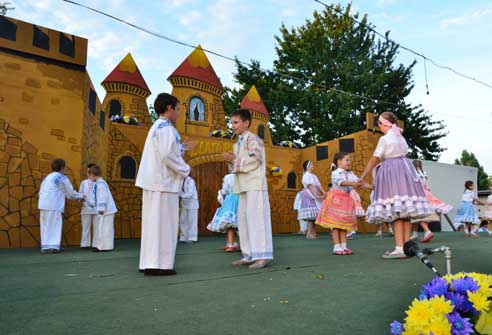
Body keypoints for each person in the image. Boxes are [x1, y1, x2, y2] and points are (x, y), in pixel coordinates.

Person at [360, 112, 433, 259]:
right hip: (405, 170)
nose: (378, 126)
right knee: (404, 211)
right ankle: (407, 247)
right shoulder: (400, 137)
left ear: (384, 124)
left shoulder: (385, 138)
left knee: (396, 211)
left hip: (392, 171)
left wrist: (362, 176)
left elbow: (375, 159)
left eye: (379, 123)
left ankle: (400, 247)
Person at [136, 93, 191, 276]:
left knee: (153, 225)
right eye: (177, 108)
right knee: (165, 225)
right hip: (163, 183)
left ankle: (149, 262)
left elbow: (166, 151)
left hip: (154, 182)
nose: (178, 112)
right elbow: (168, 155)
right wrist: (185, 169)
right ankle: (162, 264)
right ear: (169, 108)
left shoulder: (157, 127)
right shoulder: (167, 128)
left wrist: (181, 148)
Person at [223, 108, 273, 269]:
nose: (233, 126)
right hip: (242, 185)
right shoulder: (237, 143)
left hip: (255, 184)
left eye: (236, 122)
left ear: (246, 123)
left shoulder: (254, 139)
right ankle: (248, 254)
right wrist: (231, 161)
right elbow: (237, 166)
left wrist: (235, 160)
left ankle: (262, 255)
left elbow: (256, 160)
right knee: (243, 219)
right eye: (231, 123)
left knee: (257, 218)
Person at [316, 152, 369, 255]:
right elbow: (342, 183)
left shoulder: (350, 173)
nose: (349, 162)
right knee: (336, 225)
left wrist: (372, 187)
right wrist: (355, 184)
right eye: (347, 160)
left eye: (349, 160)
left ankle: (344, 246)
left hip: (346, 200)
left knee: (344, 225)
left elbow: (360, 182)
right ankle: (336, 247)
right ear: (339, 161)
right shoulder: (336, 173)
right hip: (337, 200)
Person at [38, 159, 84, 253]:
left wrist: (76, 196)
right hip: (53, 204)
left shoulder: (47, 177)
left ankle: (46, 246)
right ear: (62, 168)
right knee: (54, 224)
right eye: (65, 167)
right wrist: (81, 196)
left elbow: (64, 192)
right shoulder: (62, 177)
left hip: (43, 204)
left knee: (45, 225)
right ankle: (53, 246)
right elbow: (70, 193)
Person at [410, 160, 453, 243]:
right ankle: (415, 233)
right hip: (426, 193)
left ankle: (427, 231)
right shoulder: (424, 173)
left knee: (416, 213)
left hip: (417, 193)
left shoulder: (413, 173)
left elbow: (413, 184)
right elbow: (427, 186)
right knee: (415, 213)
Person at [87, 165, 117, 252]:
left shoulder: (101, 184)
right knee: (102, 228)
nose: (89, 177)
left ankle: (105, 246)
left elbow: (103, 197)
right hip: (105, 210)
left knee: (106, 228)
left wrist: (101, 209)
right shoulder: (98, 183)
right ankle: (101, 245)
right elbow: (96, 197)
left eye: (89, 175)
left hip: (107, 210)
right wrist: (90, 203)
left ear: (93, 174)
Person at [207, 173, 240, 252]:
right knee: (236, 223)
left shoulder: (228, 177)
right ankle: (234, 243)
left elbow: (225, 190)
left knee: (229, 223)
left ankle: (231, 244)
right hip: (240, 199)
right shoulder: (241, 175)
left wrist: (221, 194)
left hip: (230, 200)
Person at [299, 160, 326, 239]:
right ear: (307, 166)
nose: (313, 165)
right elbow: (310, 187)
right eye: (311, 164)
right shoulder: (306, 176)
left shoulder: (313, 176)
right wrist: (317, 196)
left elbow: (318, 185)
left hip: (314, 194)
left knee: (314, 216)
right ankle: (309, 234)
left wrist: (324, 193)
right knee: (312, 217)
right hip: (309, 195)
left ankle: (313, 233)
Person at [79, 163, 97, 249]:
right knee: (85, 226)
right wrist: (81, 201)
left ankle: (96, 244)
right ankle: (85, 244)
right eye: (88, 171)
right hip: (86, 207)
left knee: (97, 226)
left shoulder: (99, 182)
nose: (89, 172)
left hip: (97, 208)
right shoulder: (83, 182)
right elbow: (80, 194)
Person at [179, 176, 199, 243]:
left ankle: (192, 238)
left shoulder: (191, 181)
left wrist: (181, 196)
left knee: (192, 221)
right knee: (183, 220)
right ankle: (183, 237)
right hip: (184, 203)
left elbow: (190, 193)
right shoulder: (180, 180)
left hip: (192, 203)